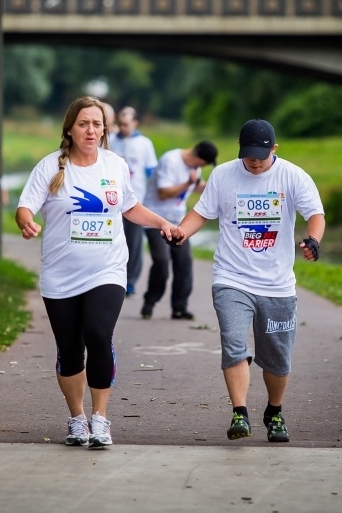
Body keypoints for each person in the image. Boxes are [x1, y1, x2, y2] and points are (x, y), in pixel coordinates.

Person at [16, 96, 175, 449]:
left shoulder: (115, 165)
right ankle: (77, 419)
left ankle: (100, 419)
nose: (91, 130)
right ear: (70, 129)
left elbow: (130, 207)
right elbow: (25, 206)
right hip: (60, 274)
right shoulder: (50, 167)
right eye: (84, 123)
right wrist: (26, 222)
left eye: (98, 124)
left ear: (106, 130)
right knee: (70, 349)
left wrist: (162, 222)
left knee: (99, 336)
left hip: (107, 268)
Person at [172, 119, 325, 444]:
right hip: (232, 277)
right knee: (234, 342)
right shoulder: (224, 174)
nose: (254, 162)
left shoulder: (292, 176)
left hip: (277, 284)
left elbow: (315, 214)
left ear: (274, 149)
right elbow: (201, 212)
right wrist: (181, 233)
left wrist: (313, 241)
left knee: (277, 359)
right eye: (249, 156)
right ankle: (239, 411)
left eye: (261, 155)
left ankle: (274, 411)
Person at [140, 141, 218, 321]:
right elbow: (163, 193)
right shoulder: (171, 161)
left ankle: (179, 308)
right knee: (161, 261)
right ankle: (149, 302)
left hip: (178, 222)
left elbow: (197, 185)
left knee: (184, 264)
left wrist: (215, 189)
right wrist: (187, 183)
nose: (203, 167)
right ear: (199, 157)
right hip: (156, 220)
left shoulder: (194, 168)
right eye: (205, 163)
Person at [108, 106, 158, 297]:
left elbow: (151, 172)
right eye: (120, 124)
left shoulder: (144, 143)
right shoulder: (111, 141)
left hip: (137, 200)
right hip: (113, 200)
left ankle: (131, 281)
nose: (122, 127)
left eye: (126, 124)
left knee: (134, 242)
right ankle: (113, 278)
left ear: (135, 123)